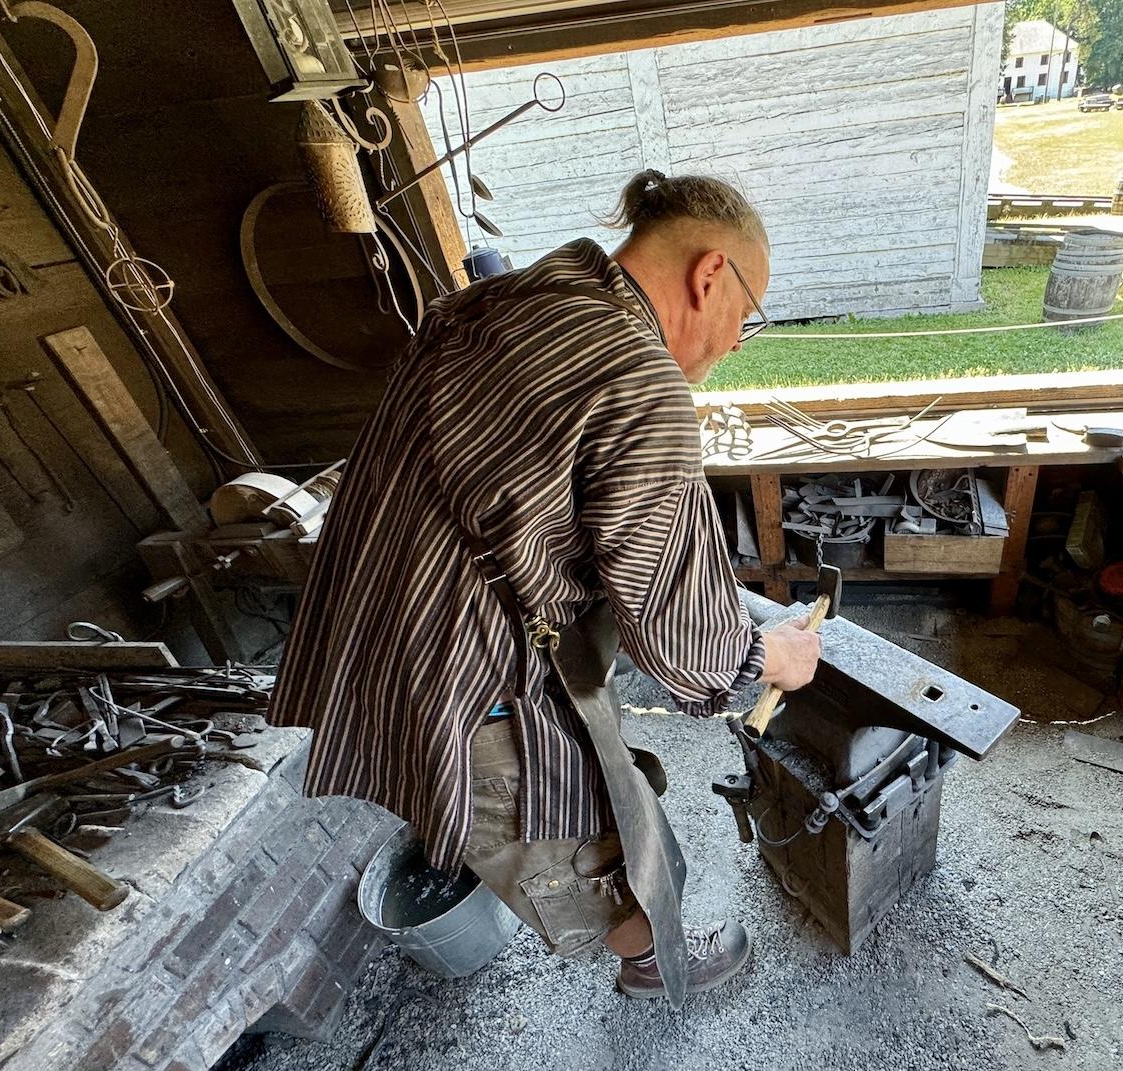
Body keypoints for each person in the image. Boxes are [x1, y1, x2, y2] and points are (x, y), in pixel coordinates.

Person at [270, 170, 821, 1006]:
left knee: (592, 783)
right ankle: (655, 963)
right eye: (748, 315)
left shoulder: (509, 299)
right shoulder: (639, 381)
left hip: (375, 619)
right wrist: (766, 655)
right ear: (711, 275)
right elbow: (682, 639)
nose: (738, 338)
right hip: (464, 667)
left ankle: (643, 935)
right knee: (565, 825)